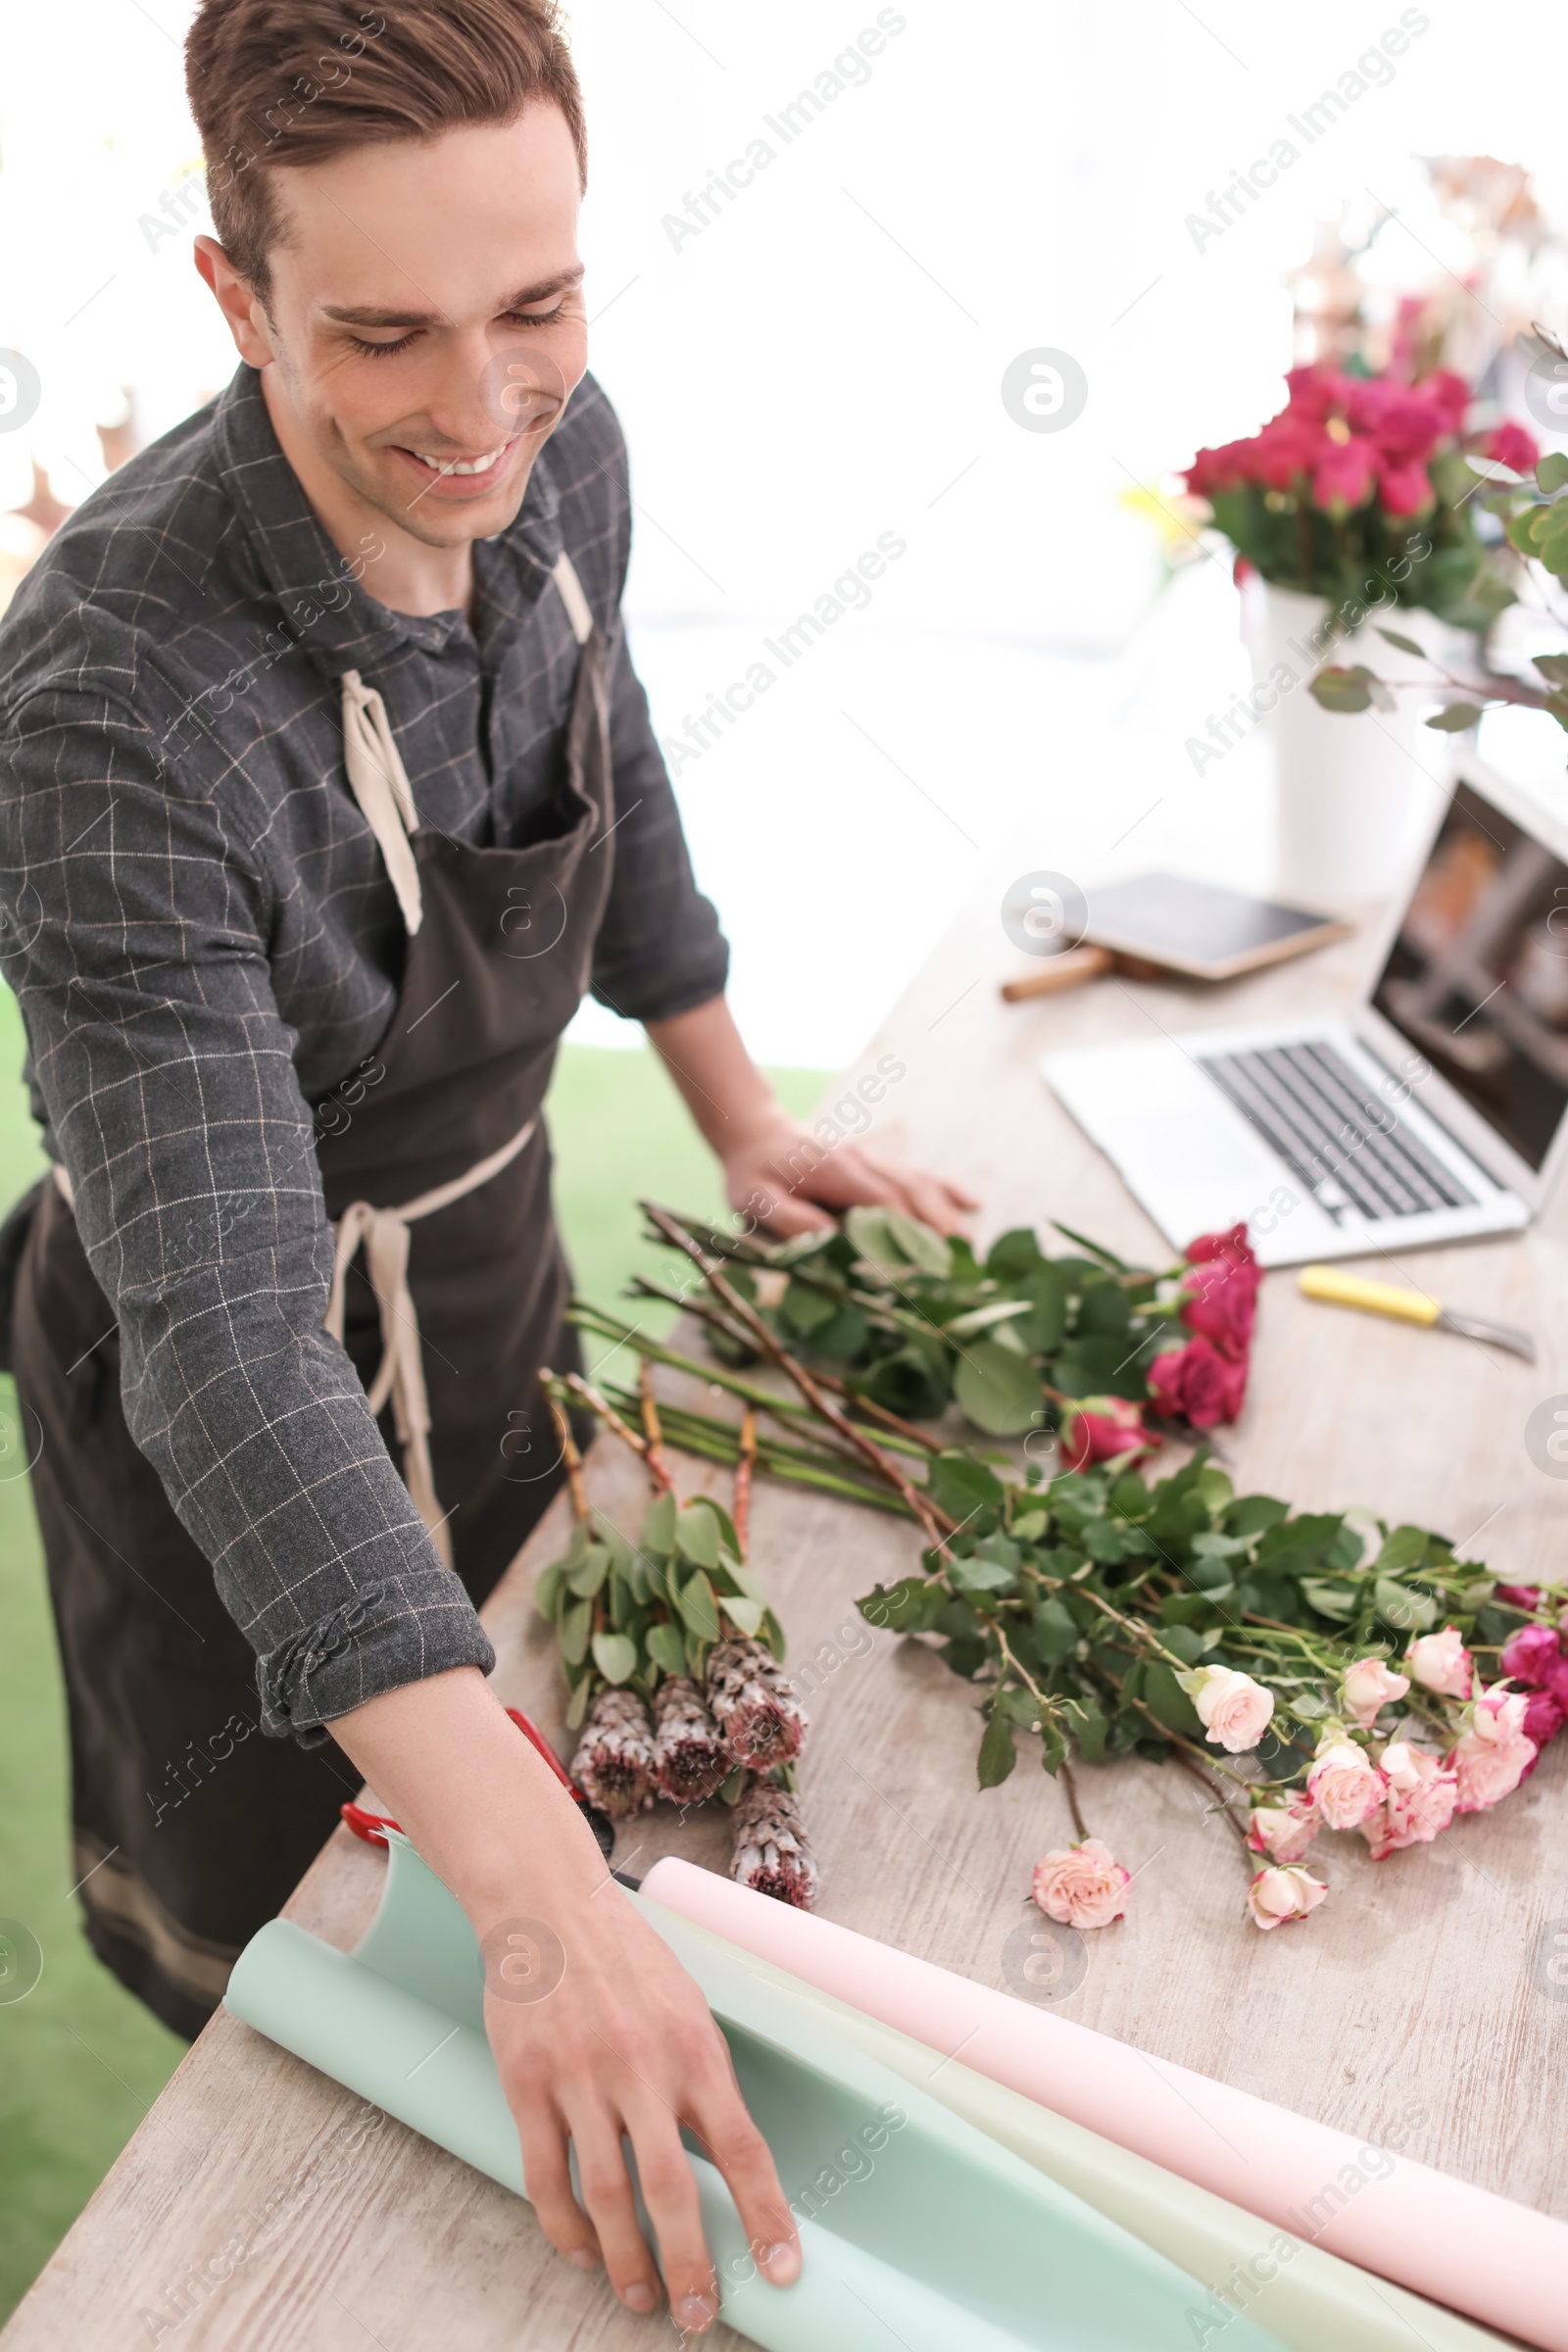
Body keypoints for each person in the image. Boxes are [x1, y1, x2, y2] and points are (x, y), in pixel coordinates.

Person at [0, 0, 975, 2328]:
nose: (480, 411)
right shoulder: (108, 710)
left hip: (489, 1245)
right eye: (382, 334)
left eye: (533, 307)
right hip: (218, 1379)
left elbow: (597, 745)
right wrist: (540, 1919)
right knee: (313, 1964)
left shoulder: (559, 450)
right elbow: (223, 1333)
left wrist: (734, 1106)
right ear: (236, 301)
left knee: (546, 1759)